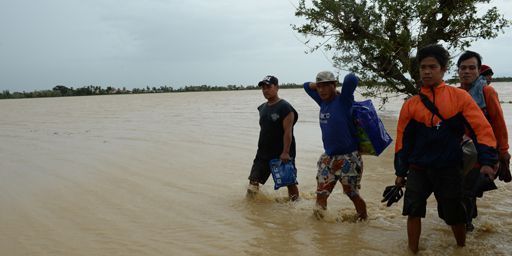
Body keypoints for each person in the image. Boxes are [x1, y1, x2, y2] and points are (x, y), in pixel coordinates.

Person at [393, 44, 498, 253]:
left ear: (442, 69)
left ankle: (461, 249)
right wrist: (400, 171)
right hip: (418, 168)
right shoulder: (411, 104)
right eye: (423, 67)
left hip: (448, 167)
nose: (427, 71)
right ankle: (412, 251)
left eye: (432, 66)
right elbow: (402, 140)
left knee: (454, 215)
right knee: (413, 211)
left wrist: (488, 161)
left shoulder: (459, 98)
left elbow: (482, 130)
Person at [456, 52, 511, 231]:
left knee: (467, 190)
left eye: (472, 68)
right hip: (462, 150)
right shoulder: (455, 93)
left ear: (479, 71)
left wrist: (503, 152)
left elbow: (499, 123)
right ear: (458, 71)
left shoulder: (487, 91)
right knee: (463, 189)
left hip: (483, 150)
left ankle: (467, 229)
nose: (466, 72)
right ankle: (468, 221)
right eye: (463, 68)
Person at [304, 71, 367, 220]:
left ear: (334, 85)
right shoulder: (322, 101)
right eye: (319, 87)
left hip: (349, 158)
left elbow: (351, 78)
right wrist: (318, 83)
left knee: (352, 194)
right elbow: (306, 86)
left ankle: (363, 221)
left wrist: (339, 90)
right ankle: (319, 228)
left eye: (326, 86)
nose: (321, 90)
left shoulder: (344, 101)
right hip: (328, 158)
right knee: (321, 194)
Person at [247, 75, 299, 201]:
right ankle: (252, 211)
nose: (265, 90)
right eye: (263, 88)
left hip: (282, 153)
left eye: (268, 87)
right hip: (263, 153)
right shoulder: (262, 108)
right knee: (253, 183)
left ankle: (296, 205)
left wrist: (286, 152)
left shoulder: (285, 107)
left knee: (289, 182)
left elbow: (288, 132)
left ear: (277, 87)